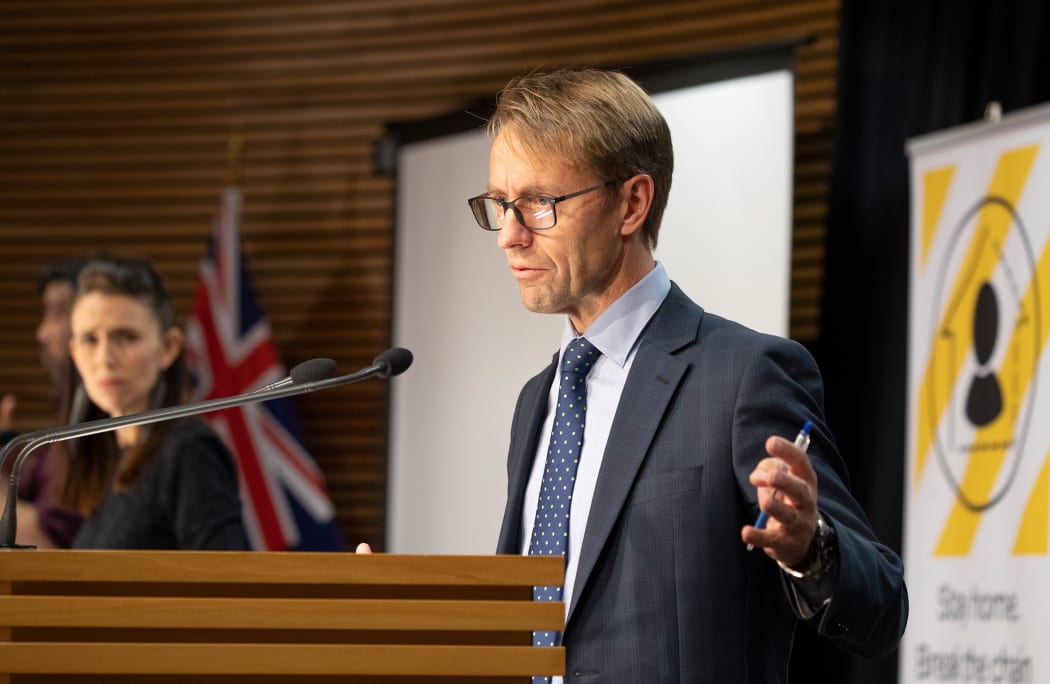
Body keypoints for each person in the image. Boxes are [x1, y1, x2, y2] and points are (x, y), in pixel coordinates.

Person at [464, 68, 908, 682]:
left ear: (632, 203)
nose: (509, 237)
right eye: (501, 205)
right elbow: (538, 627)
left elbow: (882, 608)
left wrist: (813, 547)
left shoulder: (744, 375)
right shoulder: (537, 400)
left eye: (539, 204)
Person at [60, 255, 249, 550]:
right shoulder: (108, 454)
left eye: (126, 337)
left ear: (169, 348)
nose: (105, 358)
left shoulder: (189, 450)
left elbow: (228, 575)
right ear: (74, 352)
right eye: (90, 340)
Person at [0, 260, 85, 548]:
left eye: (57, 313)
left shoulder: (98, 418)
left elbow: (50, 544)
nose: (42, 333)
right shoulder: (67, 410)